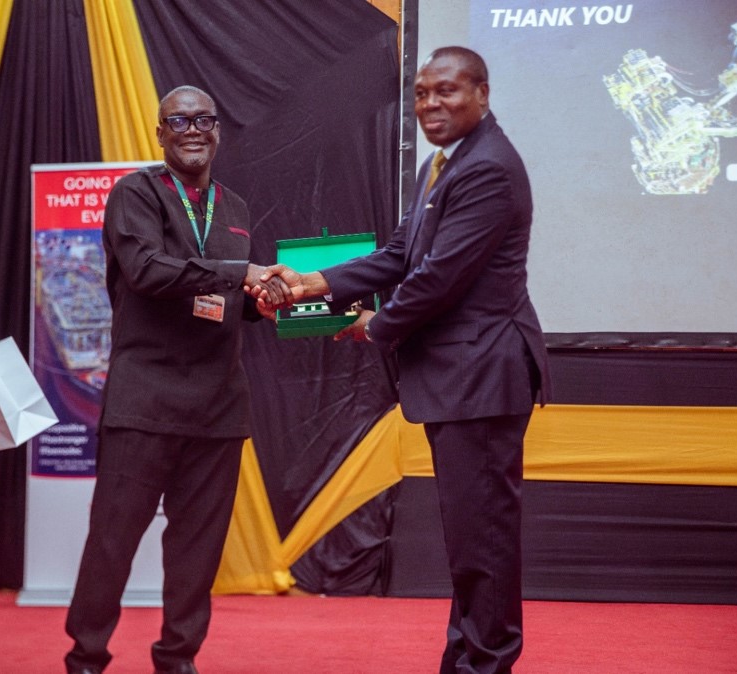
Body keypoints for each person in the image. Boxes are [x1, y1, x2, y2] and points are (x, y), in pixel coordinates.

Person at [257, 47, 551, 674]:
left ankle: (487, 661)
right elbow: (399, 253)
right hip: (461, 379)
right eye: (421, 94)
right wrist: (314, 284)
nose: (430, 105)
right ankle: (466, 658)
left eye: (447, 92)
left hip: (483, 378)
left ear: (483, 94)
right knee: (470, 537)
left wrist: (376, 326)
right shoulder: (442, 165)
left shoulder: (489, 168)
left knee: (485, 538)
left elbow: (438, 278)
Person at [63, 85, 288, 674]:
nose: (192, 129)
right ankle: (86, 656)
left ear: (218, 131)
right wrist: (243, 274)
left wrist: (257, 304)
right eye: (178, 120)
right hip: (145, 400)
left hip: (217, 404)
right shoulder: (134, 194)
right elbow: (145, 270)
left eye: (204, 119)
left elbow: (230, 296)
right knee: (112, 541)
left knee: (197, 548)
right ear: (160, 133)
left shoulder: (234, 207)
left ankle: (178, 657)